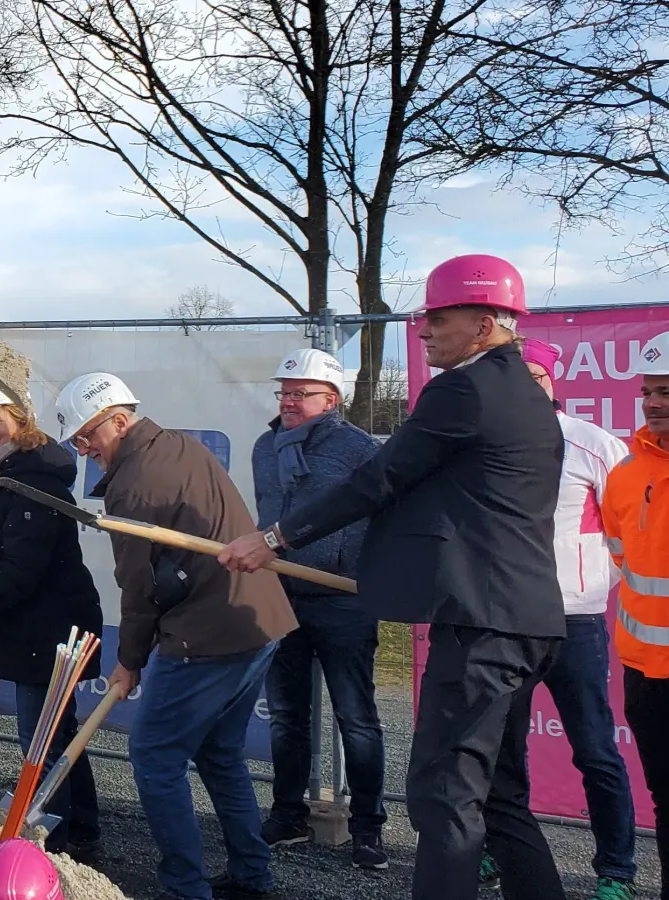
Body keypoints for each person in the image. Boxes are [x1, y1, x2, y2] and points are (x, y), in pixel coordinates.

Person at [219, 253, 567, 900]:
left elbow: (379, 478)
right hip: (530, 620)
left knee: (444, 795)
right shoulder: (524, 391)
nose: (424, 328)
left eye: (437, 316)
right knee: (500, 798)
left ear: (486, 321)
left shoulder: (465, 389)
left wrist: (274, 537)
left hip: (482, 623)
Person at [58, 371, 295, 900]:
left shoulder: (134, 484)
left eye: (88, 434)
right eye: (76, 439)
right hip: (258, 621)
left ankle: (186, 888)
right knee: (219, 753)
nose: (84, 448)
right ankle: (252, 875)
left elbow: (137, 586)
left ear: (120, 420)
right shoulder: (180, 445)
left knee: (155, 756)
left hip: (208, 635)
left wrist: (130, 659)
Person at [478, 337, 635, 900]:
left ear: (552, 382)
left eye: (536, 376)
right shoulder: (489, 441)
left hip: (576, 624)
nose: (527, 386)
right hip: (509, 624)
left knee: (595, 750)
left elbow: (628, 532)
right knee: (503, 751)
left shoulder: (592, 443)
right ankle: (502, 854)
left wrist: (588, 587)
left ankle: (616, 868)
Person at [0, 377, 104, 860]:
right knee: (60, 731)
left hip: (53, 627)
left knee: (41, 738)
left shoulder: (33, 482)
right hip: (38, 624)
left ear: (21, 423)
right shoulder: (1, 472)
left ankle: (55, 847)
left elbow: (19, 574)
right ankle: (84, 827)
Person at [248, 349, 388, 870]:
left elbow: (378, 516)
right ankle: (288, 814)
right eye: (283, 391)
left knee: (357, 718)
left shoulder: (358, 450)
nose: (287, 400)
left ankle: (368, 827)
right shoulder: (266, 447)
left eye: (300, 392)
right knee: (286, 715)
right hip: (282, 594)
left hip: (343, 600)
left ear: (331, 400)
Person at [602, 329, 669, 897]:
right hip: (646, 671)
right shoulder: (624, 473)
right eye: (649, 390)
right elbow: (623, 556)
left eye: (667, 390)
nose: (653, 402)